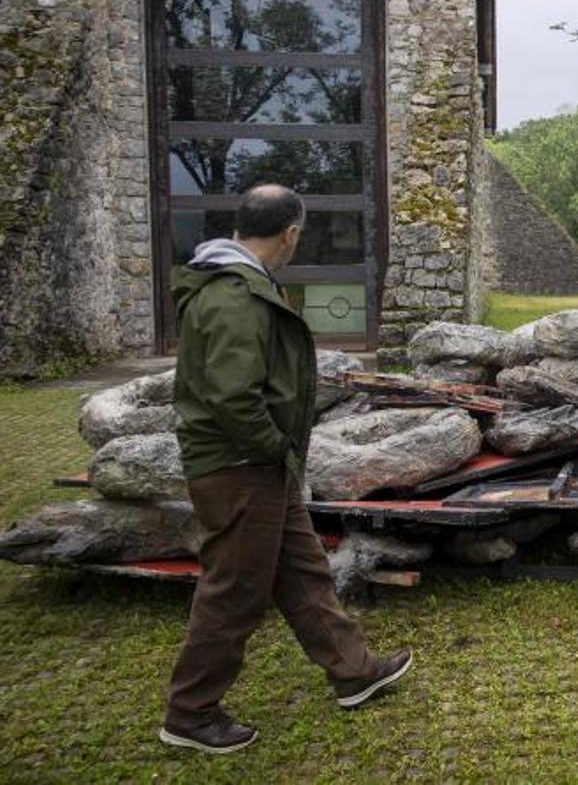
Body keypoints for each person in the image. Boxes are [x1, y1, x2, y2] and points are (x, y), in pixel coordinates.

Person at [160, 184, 411, 754]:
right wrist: (274, 447)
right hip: (240, 465)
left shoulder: (240, 284)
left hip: (261, 465)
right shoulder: (233, 297)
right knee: (235, 590)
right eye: (299, 233)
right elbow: (232, 395)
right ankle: (190, 712)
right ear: (291, 233)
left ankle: (353, 669)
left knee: (301, 569)